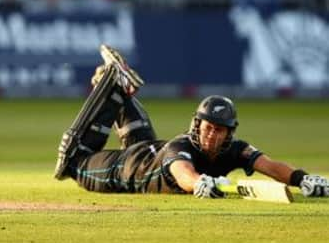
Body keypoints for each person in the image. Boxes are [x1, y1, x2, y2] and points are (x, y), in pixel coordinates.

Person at [54, 45, 329, 198]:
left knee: (132, 126)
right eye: (208, 128)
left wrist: (303, 179)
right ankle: (110, 85)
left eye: (219, 130)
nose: (212, 135)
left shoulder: (234, 149)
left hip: (146, 148)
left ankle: (115, 87)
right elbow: (183, 173)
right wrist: (198, 183)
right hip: (123, 171)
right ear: (197, 125)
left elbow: (268, 165)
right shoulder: (181, 146)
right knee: (71, 162)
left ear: (228, 133)